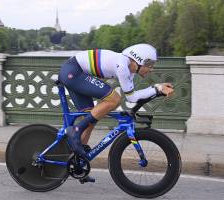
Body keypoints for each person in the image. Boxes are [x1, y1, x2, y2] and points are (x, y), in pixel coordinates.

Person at [58, 43, 174, 183]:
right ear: (137, 60)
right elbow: (128, 97)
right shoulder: (122, 65)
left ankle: (78, 164)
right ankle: (76, 129)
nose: (151, 69)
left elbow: (131, 97)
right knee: (114, 99)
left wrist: (157, 88)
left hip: (75, 73)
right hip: (73, 72)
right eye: (148, 65)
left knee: (90, 120)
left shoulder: (129, 69)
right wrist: (158, 88)